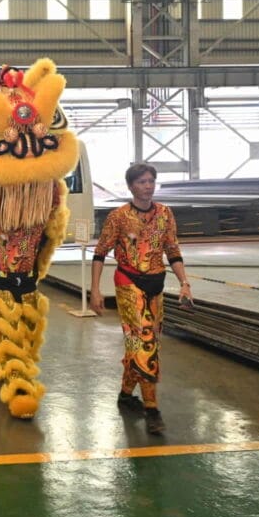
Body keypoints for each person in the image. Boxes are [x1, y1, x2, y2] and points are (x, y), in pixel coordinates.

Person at [89, 163, 191, 436]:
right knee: (145, 342)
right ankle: (152, 409)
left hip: (156, 285)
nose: (148, 185)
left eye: (151, 181)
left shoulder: (165, 214)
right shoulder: (118, 217)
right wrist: (95, 290)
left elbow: (173, 249)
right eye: (142, 181)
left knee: (141, 344)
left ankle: (125, 394)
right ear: (131, 186)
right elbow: (100, 253)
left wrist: (184, 282)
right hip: (128, 283)